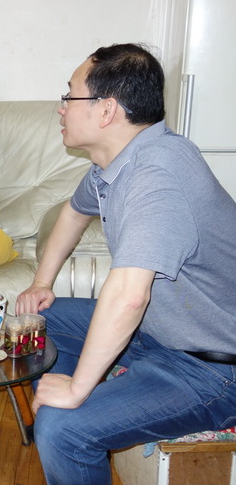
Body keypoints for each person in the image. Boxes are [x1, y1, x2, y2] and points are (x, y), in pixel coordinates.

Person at [15, 43, 236, 484]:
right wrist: (42, 282)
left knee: (63, 429)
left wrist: (78, 389)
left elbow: (130, 295)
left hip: (213, 368)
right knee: (36, 322)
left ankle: (66, 427)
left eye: (70, 95)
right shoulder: (115, 163)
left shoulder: (157, 175)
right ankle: (65, 425)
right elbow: (73, 213)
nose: (61, 107)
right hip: (157, 333)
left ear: (106, 110)